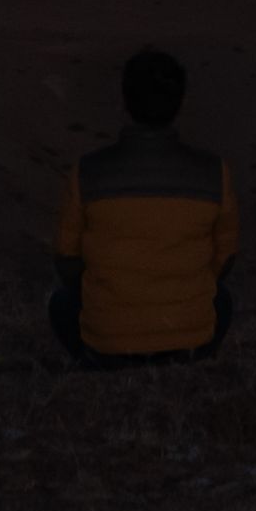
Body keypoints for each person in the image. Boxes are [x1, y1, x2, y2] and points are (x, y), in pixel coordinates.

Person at [47, 46, 235, 362]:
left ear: (125, 100)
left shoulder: (88, 172)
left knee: (61, 303)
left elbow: (67, 258)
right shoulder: (214, 173)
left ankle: (95, 358)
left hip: (107, 343)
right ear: (180, 102)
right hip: (190, 340)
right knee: (224, 301)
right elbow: (225, 259)